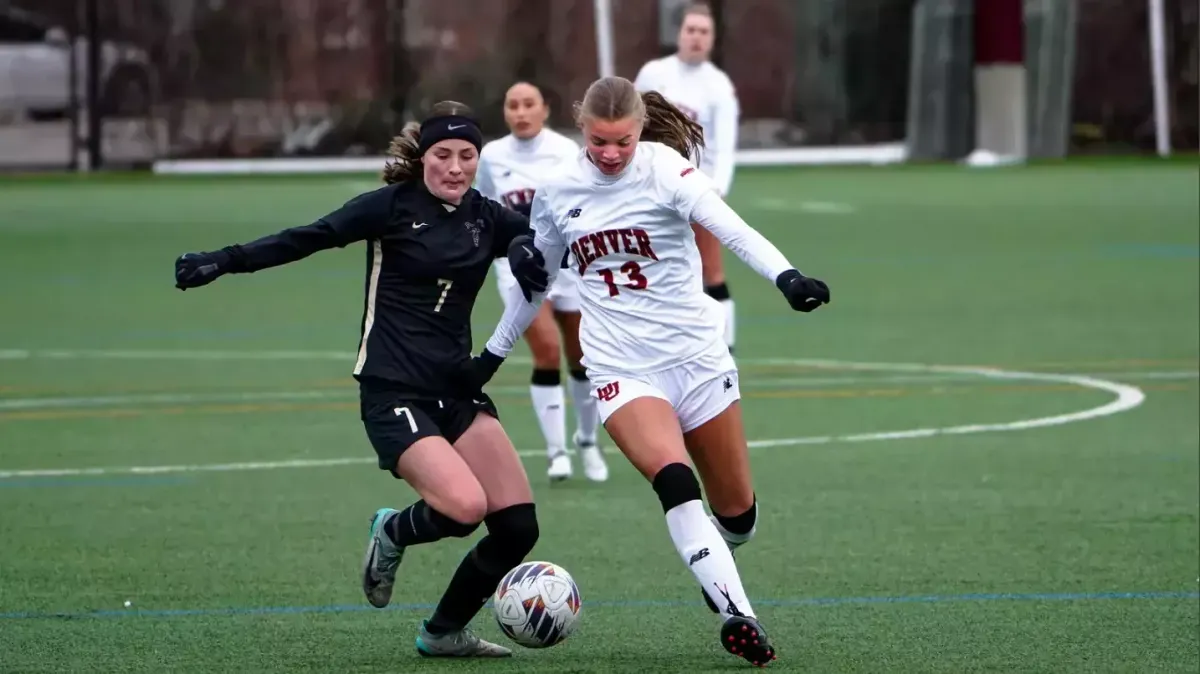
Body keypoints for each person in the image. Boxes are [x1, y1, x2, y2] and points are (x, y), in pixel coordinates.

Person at [470, 76, 830, 666]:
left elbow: (731, 228)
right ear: (581, 128)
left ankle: (720, 561)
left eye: (624, 141)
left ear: (641, 130)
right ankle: (739, 616)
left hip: (697, 359)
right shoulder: (558, 188)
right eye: (599, 141)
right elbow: (537, 283)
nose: (611, 154)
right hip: (620, 366)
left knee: (738, 516)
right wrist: (490, 354)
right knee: (675, 482)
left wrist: (786, 277)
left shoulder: (666, 170)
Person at [172, 101, 541, 659]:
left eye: (467, 155)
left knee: (517, 528)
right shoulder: (390, 207)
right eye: (443, 154)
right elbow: (309, 237)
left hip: (458, 391)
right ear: (423, 157)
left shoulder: (485, 217)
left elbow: (547, 239)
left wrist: (522, 246)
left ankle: (443, 633)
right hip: (393, 390)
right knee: (464, 508)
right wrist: (225, 260)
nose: (455, 167)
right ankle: (392, 531)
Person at [475, 81, 609, 483]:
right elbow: (484, 208)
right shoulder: (491, 156)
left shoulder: (566, 152)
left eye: (528, 104)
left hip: (569, 266)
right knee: (547, 350)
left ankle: (588, 440)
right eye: (512, 105)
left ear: (544, 109)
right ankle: (557, 452)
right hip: (517, 268)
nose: (520, 112)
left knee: (582, 357)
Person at [634, 2, 741, 354]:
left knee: (711, 269)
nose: (696, 37)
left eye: (704, 32)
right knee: (654, 262)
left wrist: (717, 191)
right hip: (652, 186)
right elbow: (632, 123)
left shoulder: (719, 86)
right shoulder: (654, 73)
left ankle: (725, 347)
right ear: (679, 33)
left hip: (696, 189)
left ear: (712, 38)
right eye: (691, 30)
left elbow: (724, 147)